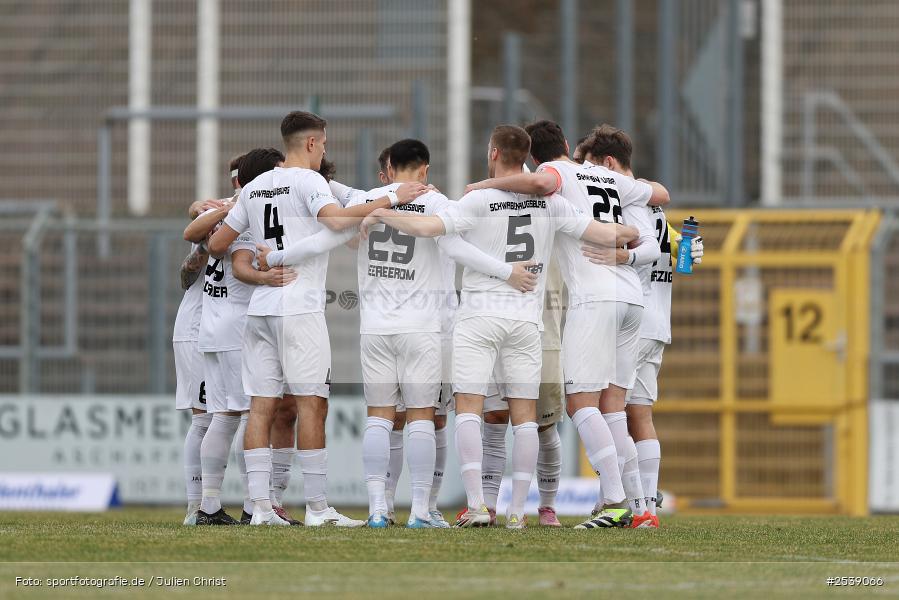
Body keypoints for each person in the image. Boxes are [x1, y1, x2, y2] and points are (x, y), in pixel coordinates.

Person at [361, 124, 637, 528]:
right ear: (526, 156)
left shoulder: (479, 198)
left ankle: (476, 505)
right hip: (526, 320)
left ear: (493, 152)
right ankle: (516, 513)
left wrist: (384, 211)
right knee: (526, 416)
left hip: (478, 317)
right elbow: (607, 232)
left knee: (470, 409)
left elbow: (428, 229)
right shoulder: (552, 203)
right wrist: (632, 235)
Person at [208, 111, 428, 526]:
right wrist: (393, 198)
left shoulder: (254, 187)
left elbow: (219, 242)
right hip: (299, 308)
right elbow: (334, 218)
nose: (325, 150)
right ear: (311, 143)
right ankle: (317, 508)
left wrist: (261, 267)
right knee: (312, 404)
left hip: (260, 310)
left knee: (260, 407)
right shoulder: (309, 181)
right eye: (324, 144)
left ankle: (259, 509)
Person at [465, 119, 666, 528]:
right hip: (632, 298)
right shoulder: (605, 173)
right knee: (614, 406)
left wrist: (482, 187)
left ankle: (613, 502)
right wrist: (626, 250)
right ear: (568, 143)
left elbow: (541, 186)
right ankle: (638, 507)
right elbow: (660, 194)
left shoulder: (552, 174)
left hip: (595, 297)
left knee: (580, 403)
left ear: (535, 158)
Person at [580, 124, 704, 528]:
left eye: (593, 166)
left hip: (628, 320)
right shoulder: (660, 210)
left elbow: (646, 253)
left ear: (610, 164)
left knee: (607, 409)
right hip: (656, 323)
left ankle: (632, 505)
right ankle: (640, 502)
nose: (589, 176)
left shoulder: (623, 204)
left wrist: (622, 258)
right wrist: (687, 249)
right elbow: (683, 260)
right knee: (639, 414)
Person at [172, 157, 241, 526]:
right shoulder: (221, 214)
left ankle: (216, 504)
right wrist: (202, 247)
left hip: (221, 328)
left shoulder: (244, 212)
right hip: (199, 327)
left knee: (225, 416)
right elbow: (186, 275)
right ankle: (196, 506)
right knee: (206, 418)